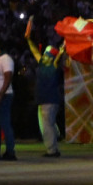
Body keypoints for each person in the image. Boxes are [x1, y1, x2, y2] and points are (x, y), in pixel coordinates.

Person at [23, 18, 66, 157]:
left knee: (47, 126)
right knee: (46, 126)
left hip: (50, 100)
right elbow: (34, 50)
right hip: (42, 99)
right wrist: (29, 40)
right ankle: (55, 140)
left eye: (47, 55)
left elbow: (59, 57)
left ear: (51, 57)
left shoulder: (54, 65)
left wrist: (63, 48)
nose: (44, 57)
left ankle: (52, 150)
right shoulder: (42, 63)